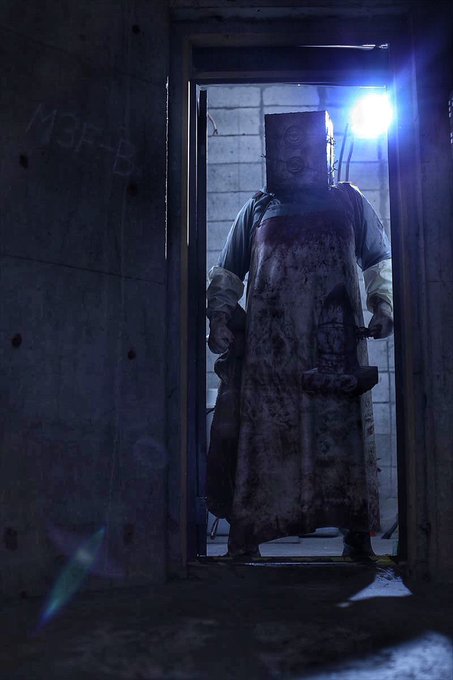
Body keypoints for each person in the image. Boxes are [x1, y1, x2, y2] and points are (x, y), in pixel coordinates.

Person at [206, 111, 393, 559]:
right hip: (270, 359)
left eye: (303, 147)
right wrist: (219, 317)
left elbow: (378, 258)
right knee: (267, 443)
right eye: (285, 148)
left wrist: (383, 304)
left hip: (335, 349)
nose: (295, 156)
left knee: (341, 442)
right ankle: (248, 535)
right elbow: (227, 272)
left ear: (325, 149)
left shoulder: (348, 201)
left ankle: (356, 536)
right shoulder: (258, 207)